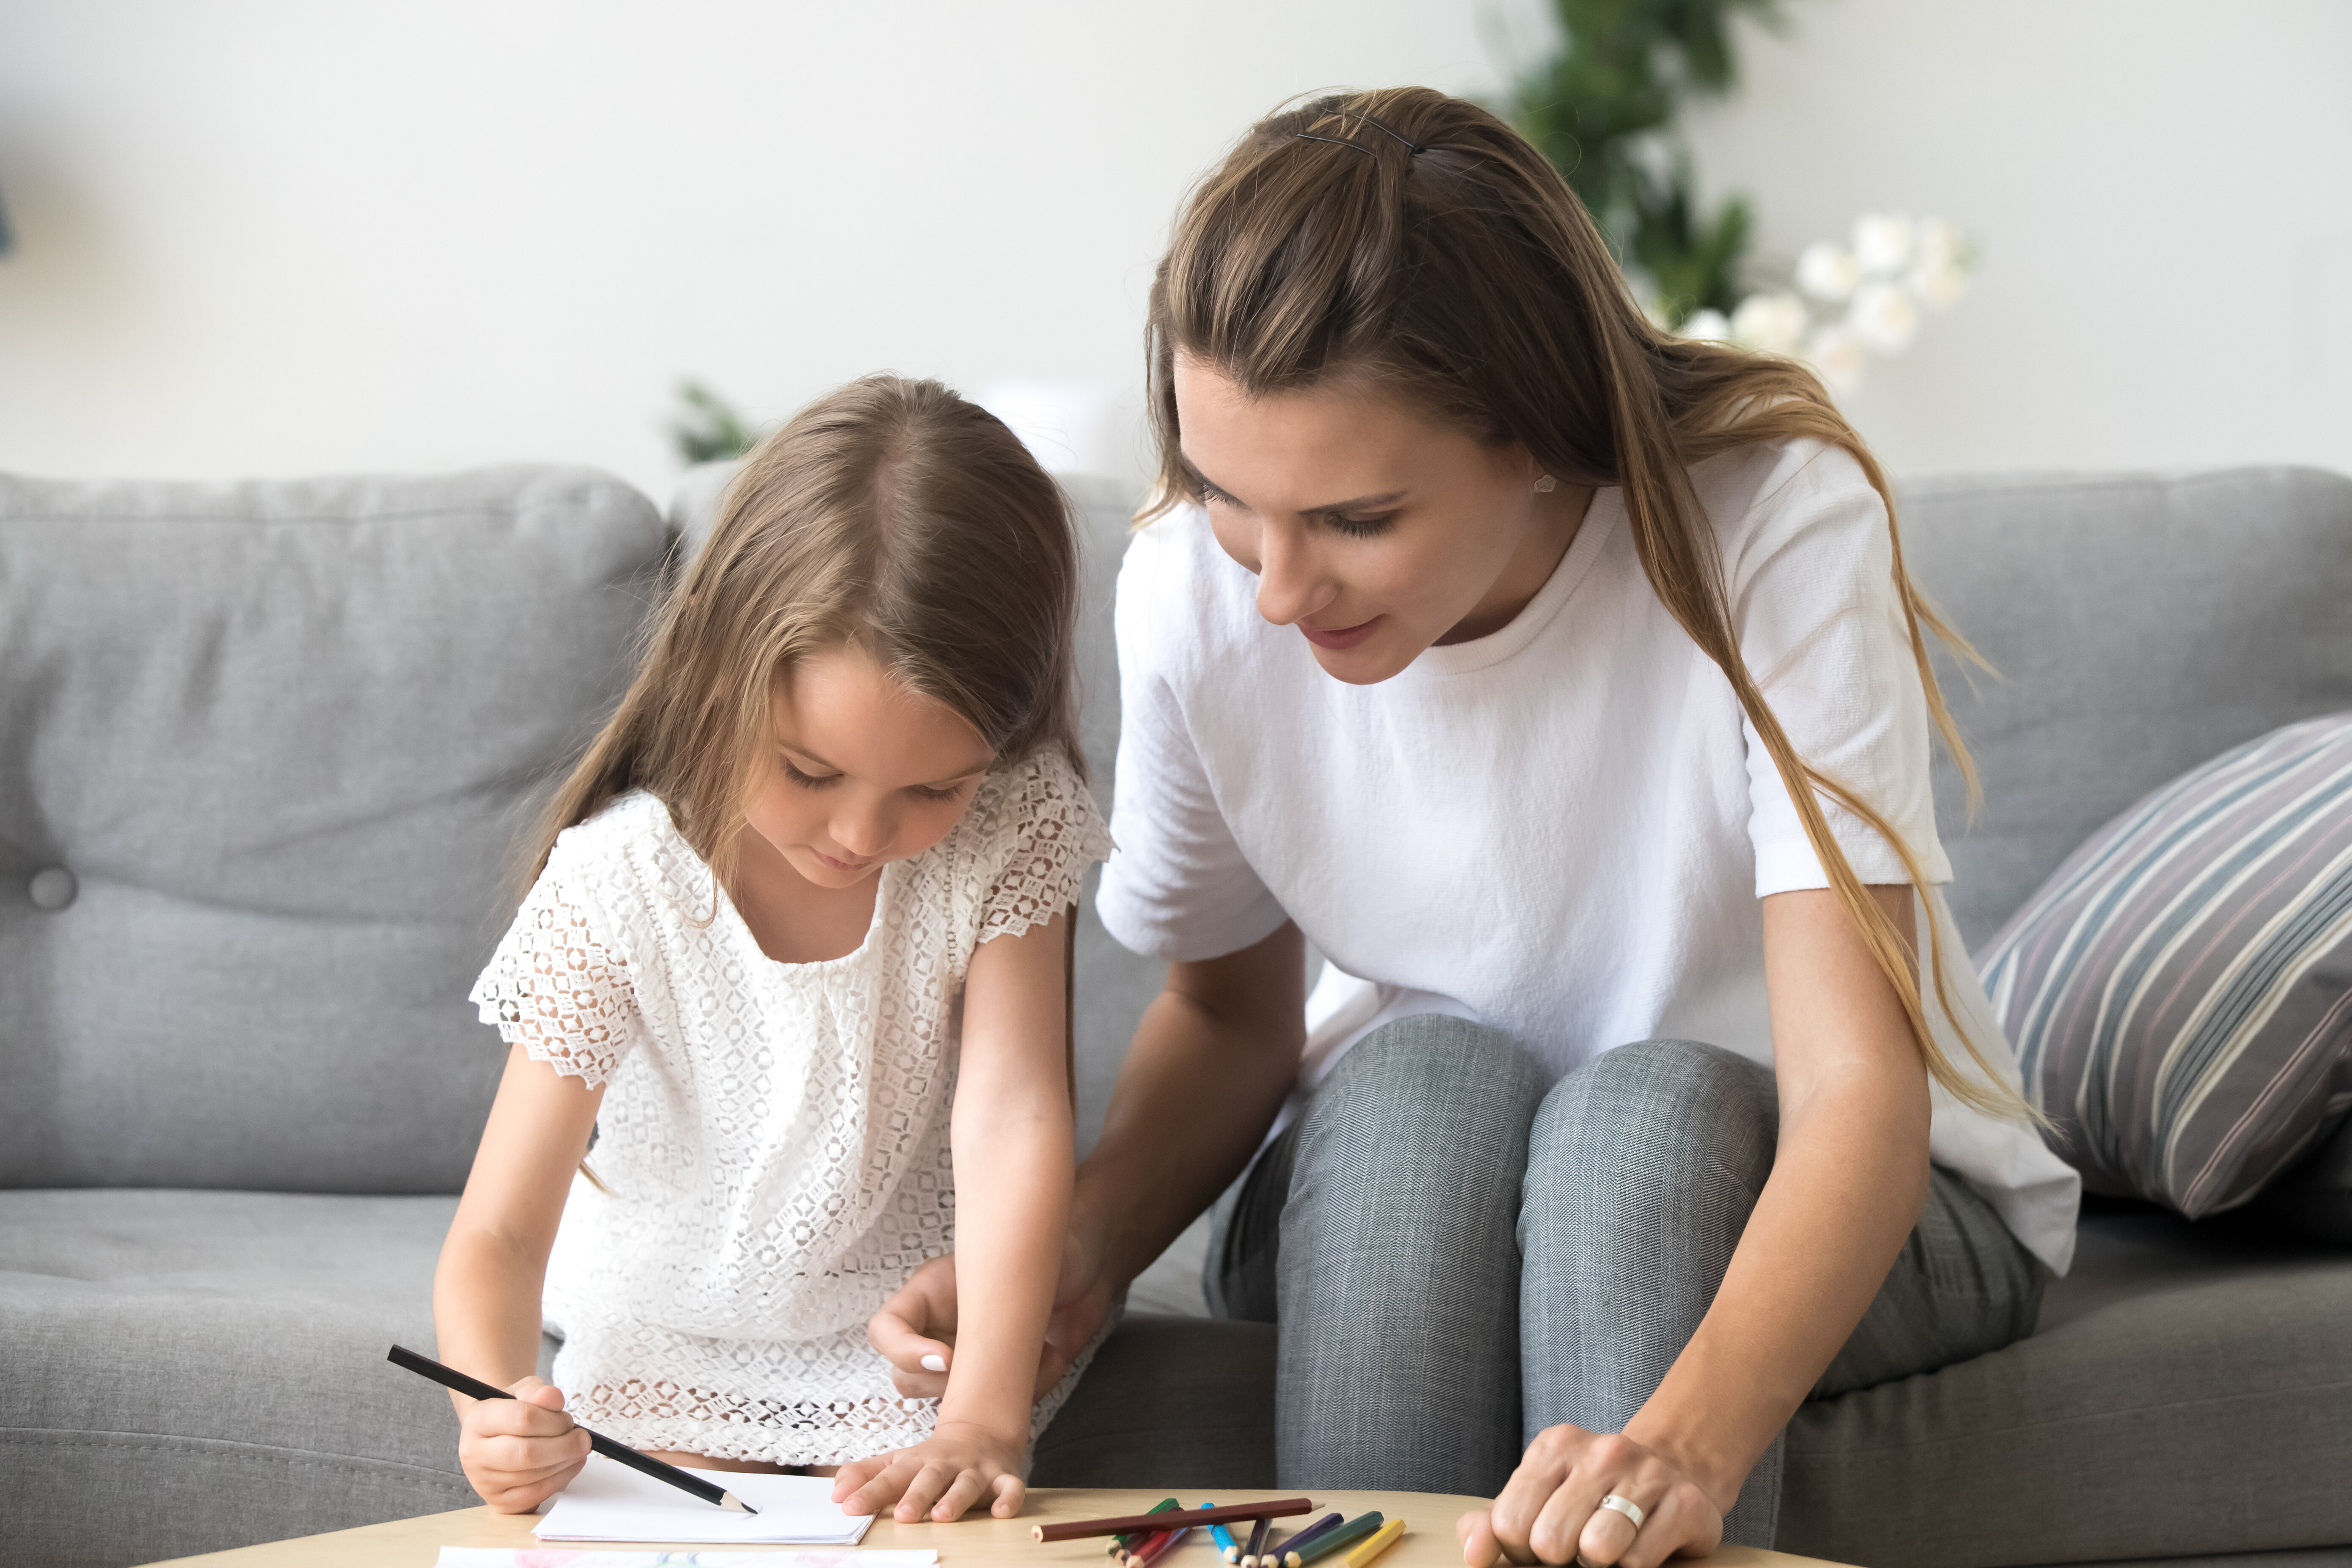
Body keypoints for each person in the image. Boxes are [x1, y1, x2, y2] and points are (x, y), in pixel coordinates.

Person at [869, 88, 2081, 1566]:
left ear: (1540, 432)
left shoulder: (1769, 524)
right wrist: (1081, 1244)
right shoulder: (1189, 589)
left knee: (1634, 1126)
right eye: (1235, 499)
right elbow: (1231, 1020)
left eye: (1360, 519)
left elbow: (1855, 1099)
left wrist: (1673, 1451)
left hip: (1838, 1194)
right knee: (1410, 1083)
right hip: (1417, 1172)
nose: (1275, 590)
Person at [431, 376, 1112, 1525]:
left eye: (933, 787)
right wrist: (492, 1410)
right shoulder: (619, 879)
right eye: (809, 771)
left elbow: (1015, 1116)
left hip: (914, 1349)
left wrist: (984, 1418)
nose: (859, 835)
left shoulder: (1011, 822)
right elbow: (498, 1227)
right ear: (719, 675)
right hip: (658, 1339)